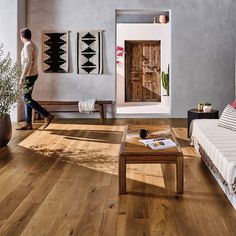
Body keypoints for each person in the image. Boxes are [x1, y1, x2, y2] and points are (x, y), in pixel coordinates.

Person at [16, 28, 54, 130]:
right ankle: (28, 123)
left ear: (22, 37)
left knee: (26, 98)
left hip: (29, 75)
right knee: (27, 98)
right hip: (33, 74)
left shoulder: (28, 46)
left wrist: (22, 77)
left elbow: (28, 63)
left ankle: (47, 115)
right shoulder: (33, 44)